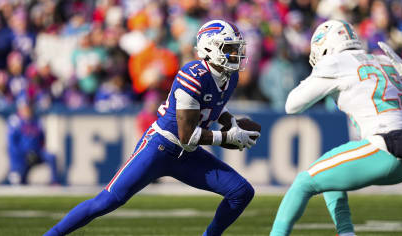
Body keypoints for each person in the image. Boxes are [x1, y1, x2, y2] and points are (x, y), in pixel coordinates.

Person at [44, 19, 261, 236]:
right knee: (106, 202)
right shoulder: (193, 75)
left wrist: (230, 122)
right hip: (160, 147)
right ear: (210, 47)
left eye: (236, 49)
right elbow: (187, 135)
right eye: (229, 48)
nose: (236, 55)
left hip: (187, 155)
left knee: (241, 191)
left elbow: (213, 105)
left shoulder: (229, 77)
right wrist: (227, 138)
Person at [270, 19, 402, 236]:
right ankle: (346, 233)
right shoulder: (386, 61)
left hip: (384, 146)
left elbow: (292, 105)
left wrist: (315, 79)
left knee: (303, 182)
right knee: (331, 177)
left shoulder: (334, 63)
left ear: (326, 44)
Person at [7, 97, 59, 185]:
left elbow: (43, 139)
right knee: (18, 181)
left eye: (28, 107)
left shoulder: (37, 121)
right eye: (25, 107)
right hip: (22, 156)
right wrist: (22, 156)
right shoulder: (15, 121)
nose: (27, 110)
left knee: (51, 157)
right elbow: (12, 145)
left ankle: (54, 181)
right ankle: (20, 176)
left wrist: (38, 150)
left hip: (36, 153)